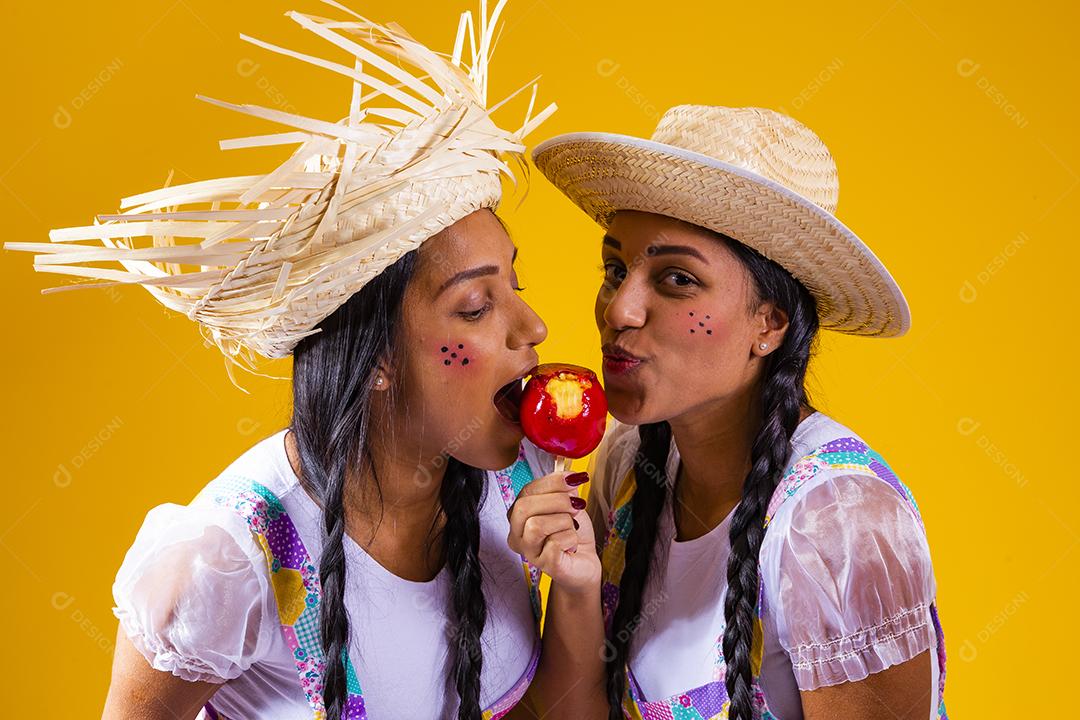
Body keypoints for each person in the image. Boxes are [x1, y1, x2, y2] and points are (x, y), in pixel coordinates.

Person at [4, 3, 564, 719]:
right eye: (475, 307)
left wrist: (575, 589)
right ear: (376, 359)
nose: (535, 325)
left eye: (514, 285)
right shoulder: (224, 564)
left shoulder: (523, 484)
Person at [513, 105, 947, 719]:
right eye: (615, 269)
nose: (619, 310)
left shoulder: (840, 524)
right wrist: (577, 590)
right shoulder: (629, 463)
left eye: (676, 280)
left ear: (769, 323)